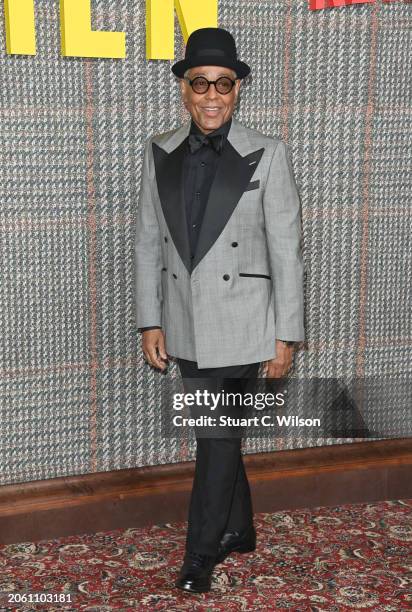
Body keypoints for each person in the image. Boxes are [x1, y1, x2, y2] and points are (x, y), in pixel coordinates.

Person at [133, 27, 305, 593]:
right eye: (199, 83)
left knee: (215, 435)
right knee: (222, 432)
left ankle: (200, 553)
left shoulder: (268, 153)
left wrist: (288, 336)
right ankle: (240, 528)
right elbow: (147, 243)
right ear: (184, 89)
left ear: (238, 89)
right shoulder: (159, 150)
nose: (211, 95)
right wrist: (150, 319)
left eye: (223, 84)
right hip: (184, 320)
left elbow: (287, 251)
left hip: (245, 321)